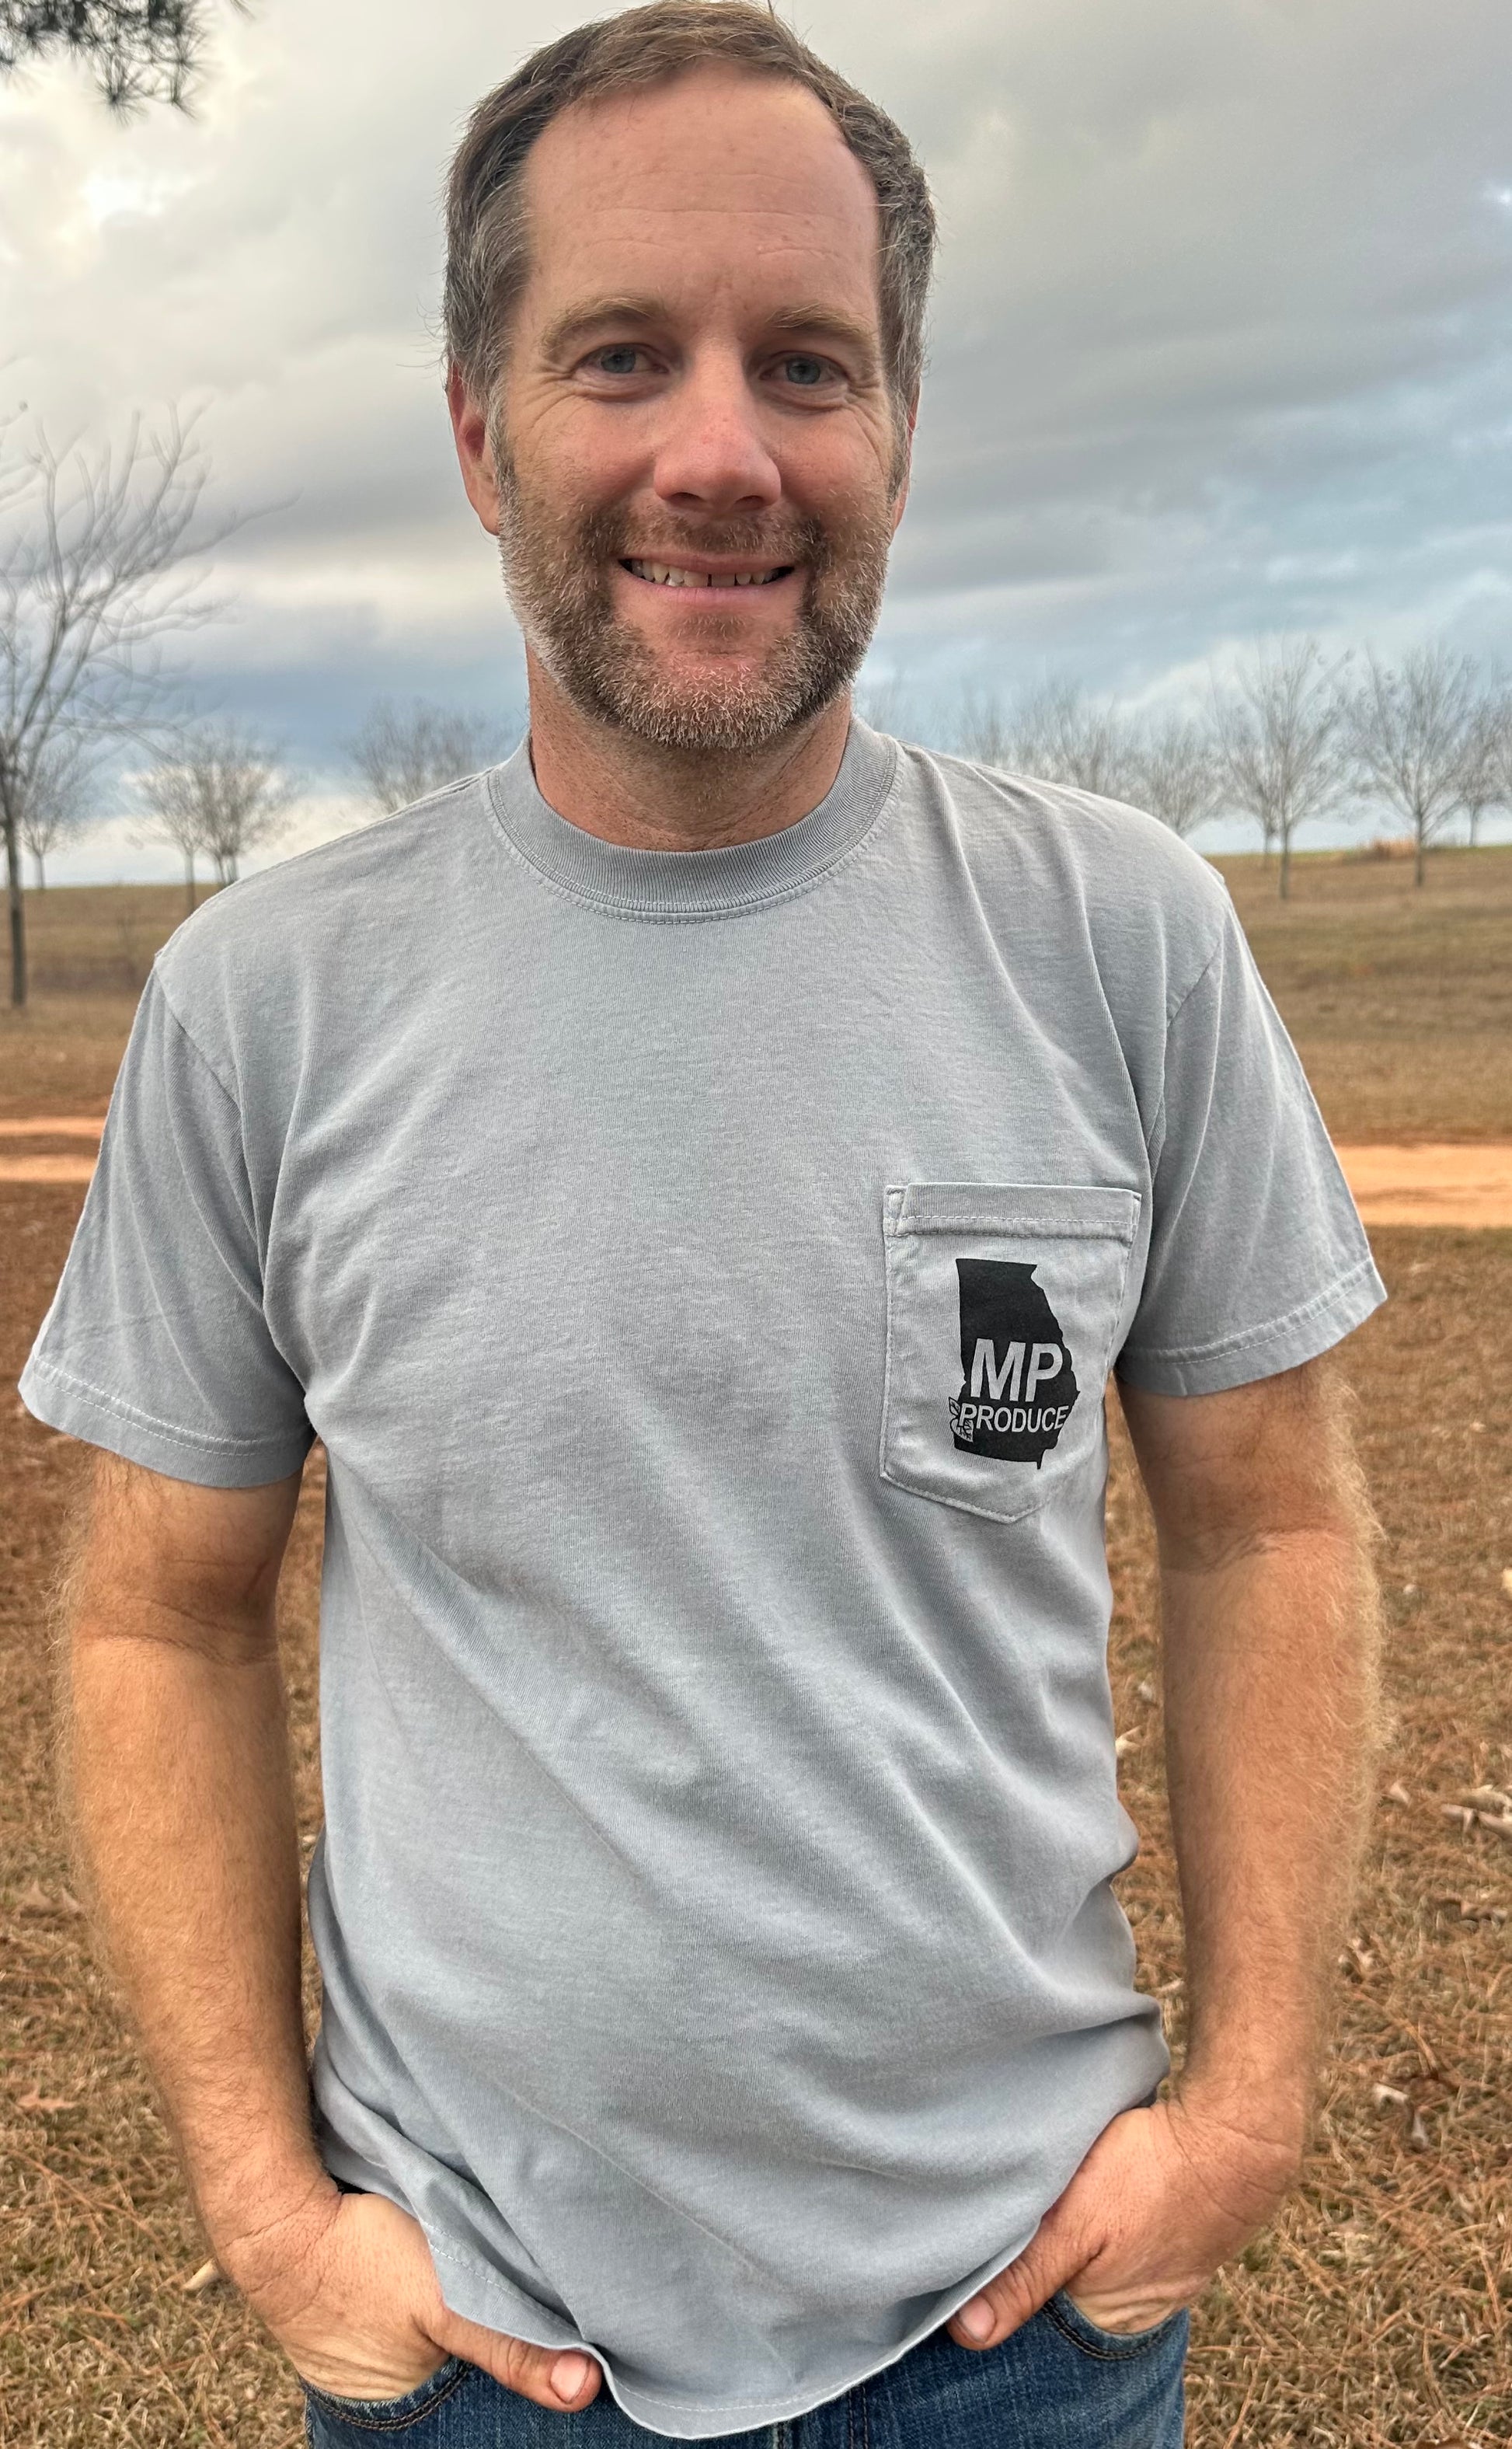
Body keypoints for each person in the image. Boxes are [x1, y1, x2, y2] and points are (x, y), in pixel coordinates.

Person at [23, 5, 1387, 2444]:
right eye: (621, 355)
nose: (723, 454)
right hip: (478, 2349)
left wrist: (1249, 2105)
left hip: (1019, 2340)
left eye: (808, 364)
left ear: (900, 425)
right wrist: (260, 2196)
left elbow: (1268, 1520)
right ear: (479, 431)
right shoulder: (265, 1006)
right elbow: (158, 1613)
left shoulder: (1121, 938)